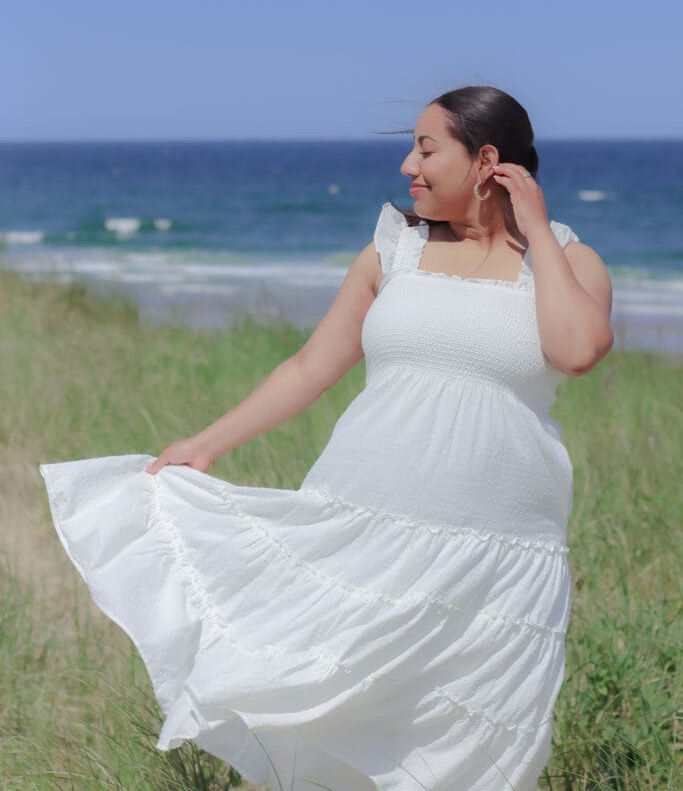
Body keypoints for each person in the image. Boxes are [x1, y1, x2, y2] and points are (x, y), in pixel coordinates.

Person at [40, 85, 614, 791]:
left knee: (473, 749)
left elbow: (578, 349)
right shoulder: (393, 251)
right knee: (333, 714)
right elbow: (312, 365)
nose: (408, 163)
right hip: (366, 529)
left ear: (486, 159)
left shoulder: (569, 263)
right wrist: (207, 443)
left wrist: (535, 224)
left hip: (498, 558)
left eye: (426, 148)